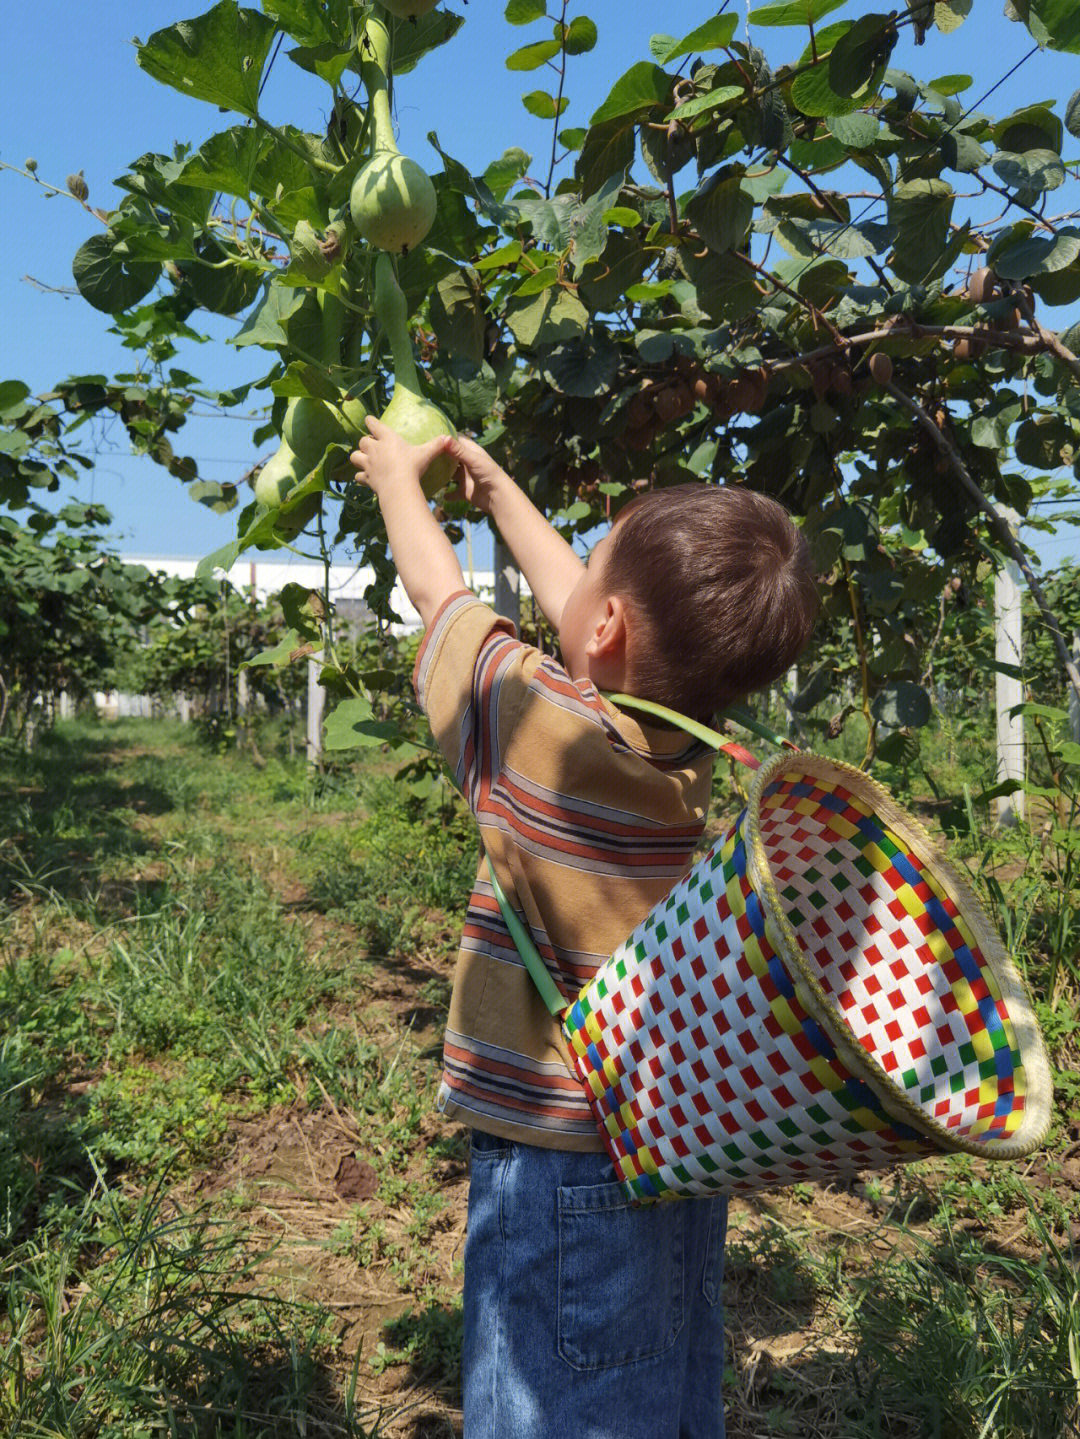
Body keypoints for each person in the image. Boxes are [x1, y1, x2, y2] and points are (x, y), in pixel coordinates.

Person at [349, 418, 819, 1439]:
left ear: (603, 624)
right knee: (659, 1381)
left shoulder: (537, 727)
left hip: (559, 1154)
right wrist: (502, 492)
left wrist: (398, 483)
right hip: (673, 1138)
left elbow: (444, 600)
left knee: (557, 1406)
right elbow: (596, 612)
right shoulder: (694, 747)